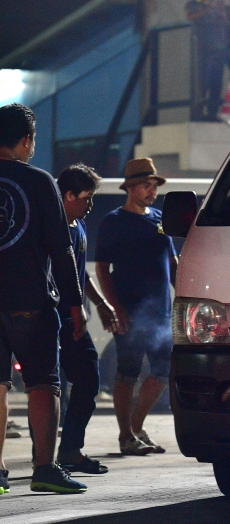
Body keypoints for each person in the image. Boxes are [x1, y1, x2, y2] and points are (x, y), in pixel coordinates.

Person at [0, 103, 88, 494]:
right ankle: (44, 469)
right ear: (26, 139)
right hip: (30, 301)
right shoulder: (38, 182)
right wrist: (75, 302)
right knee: (43, 384)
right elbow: (61, 248)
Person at [95, 158, 178, 456]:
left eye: (154, 186)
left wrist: (183, 293)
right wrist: (115, 307)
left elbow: (172, 262)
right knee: (127, 371)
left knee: (163, 370)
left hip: (161, 314)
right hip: (130, 311)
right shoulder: (114, 221)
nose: (152, 191)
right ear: (130, 188)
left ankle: (136, 426)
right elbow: (102, 269)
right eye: (146, 185)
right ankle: (125, 435)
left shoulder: (159, 219)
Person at [54, 164, 120, 474]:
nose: (90, 205)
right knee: (49, 387)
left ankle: (69, 450)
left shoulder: (78, 226)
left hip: (74, 319)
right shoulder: (52, 228)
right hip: (53, 320)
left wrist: (101, 304)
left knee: (88, 379)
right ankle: (48, 456)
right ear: (68, 195)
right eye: (87, 197)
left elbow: (80, 276)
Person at [185, 0, 229, 120]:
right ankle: (198, 112)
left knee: (216, 82)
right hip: (204, 49)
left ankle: (212, 113)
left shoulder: (218, 3)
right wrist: (207, 9)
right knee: (203, 81)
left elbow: (224, 20)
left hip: (219, 48)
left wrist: (221, 8)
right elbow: (189, 17)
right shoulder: (194, 3)